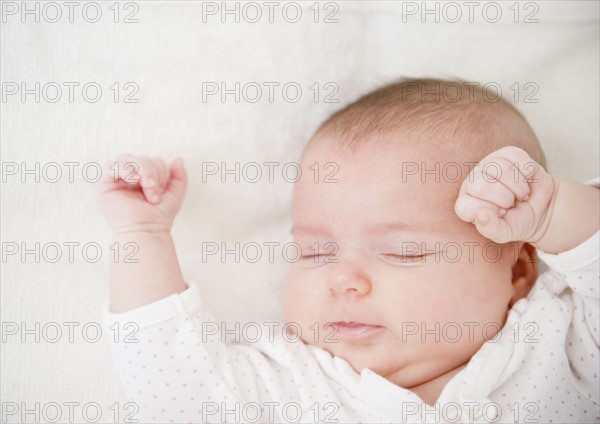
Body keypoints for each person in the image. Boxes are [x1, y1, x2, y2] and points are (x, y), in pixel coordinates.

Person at [96, 79, 599, 423]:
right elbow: (176, 389)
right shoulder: (293, 383)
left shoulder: (558, 339)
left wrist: (554, 211)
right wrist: (141, 234)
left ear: (520, 269)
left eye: (403, 252)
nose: (344, 280)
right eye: (315, 253)